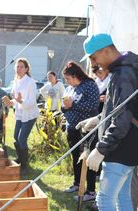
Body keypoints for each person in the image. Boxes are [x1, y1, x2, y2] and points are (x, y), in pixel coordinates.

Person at [76, 33, 138, 210]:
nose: (94, 64)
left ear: (105, 51)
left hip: (119, 148)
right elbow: (122, 109)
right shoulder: (127, 69)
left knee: (104, 199)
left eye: (94, 58)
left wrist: (100, 149)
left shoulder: (123, 74)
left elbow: (123, 118)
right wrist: (99, 119)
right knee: (122, 196)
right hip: (130, 146)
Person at [61, 61, 99, 201]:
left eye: (68, 78)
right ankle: (77, 183)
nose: (67, 81)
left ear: (75, 75)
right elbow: (64, 105)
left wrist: (73, 105)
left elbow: (93, 105)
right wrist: (65, 107)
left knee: (87, 159)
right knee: (75, 157)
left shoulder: (90, 85)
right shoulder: (71, 88)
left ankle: (90, 191)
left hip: (87, 129)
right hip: (72, 128)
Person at [4, 58, 39, 175]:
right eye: (17, 67)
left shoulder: (30, 82)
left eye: (21, 67)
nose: (19, 69)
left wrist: (20, 101)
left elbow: (32, 102)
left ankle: (24, 166)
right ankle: (20, 158)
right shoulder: (16, 81)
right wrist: (11, 102)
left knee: (22, 138)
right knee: (16, 136)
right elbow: (16, 99)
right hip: (20, 114)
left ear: (26, 69)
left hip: (30, 114)